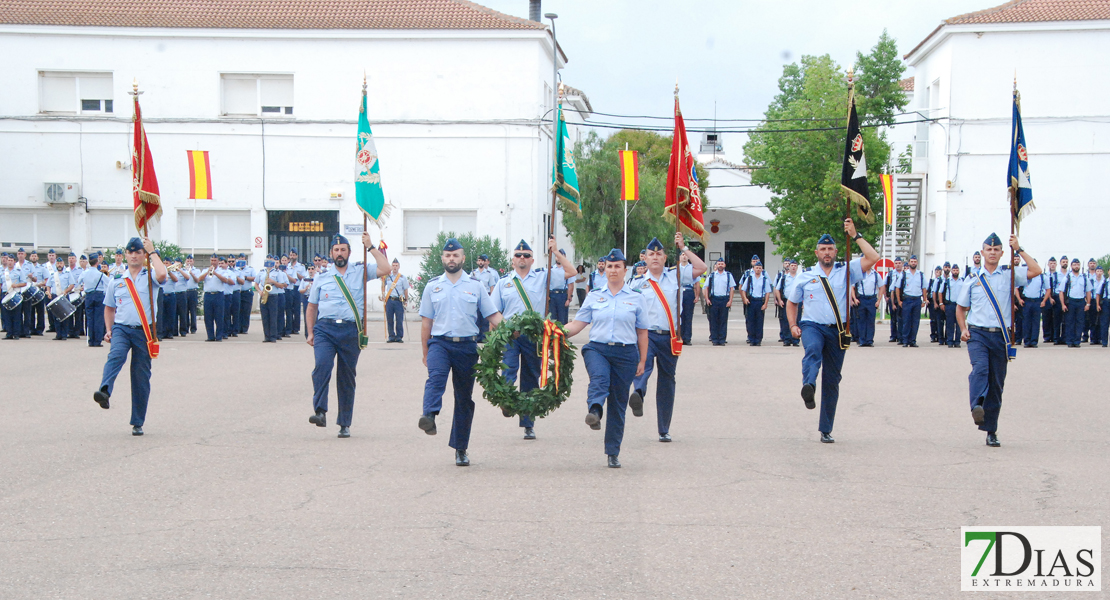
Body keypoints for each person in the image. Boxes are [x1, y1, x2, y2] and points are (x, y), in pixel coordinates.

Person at [786, 219, 879, 444]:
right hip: (812, 326)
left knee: (832, 380)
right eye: (823, 249)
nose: (827, 253)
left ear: (836, 251)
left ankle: (826, 428)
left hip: (838, 331)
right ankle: (808, 385)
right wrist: (793, 325)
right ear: (816, 252)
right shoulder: (805, 275)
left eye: (830, 249)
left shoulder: (847, 270)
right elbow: (792, 303)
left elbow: (873, 258)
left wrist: (855, 235)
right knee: (813, 350)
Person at [417, 237, 503, 466]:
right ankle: (429, 415)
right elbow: (426, 322)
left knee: (464, 398)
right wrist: (425, 352)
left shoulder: (476, 286)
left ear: (463, 258)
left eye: (455, 255)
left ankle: (461, 448)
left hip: (466, 346)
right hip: (440, 344)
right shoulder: (432, 286)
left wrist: (513, 329)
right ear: (442, 258)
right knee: (436, 379)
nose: (451, 259)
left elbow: (493, 315)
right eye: (447, 255)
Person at [563, 248, 648, 468]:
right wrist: (554, 332)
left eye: (617, 266)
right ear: (605, 269)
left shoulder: (636, 298)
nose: (612, 270)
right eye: (609, 266)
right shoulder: (594, 296)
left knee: (619, 403)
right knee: (599, 379)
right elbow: (577, 325)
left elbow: (642, 332)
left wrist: (642, 360)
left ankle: (613, 452)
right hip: (597, 349)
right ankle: (595, 410)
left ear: (624, 270)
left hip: (626, 353)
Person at [956, 233, 1041, 447]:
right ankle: (977, 405)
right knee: (980, 369)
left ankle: (991, 430)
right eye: (988, 249)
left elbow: (1036, 270)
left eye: (996, 250)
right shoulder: (973, 279)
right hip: (978, 334)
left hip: (1001, 336)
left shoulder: (1009, 275)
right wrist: (963, 328)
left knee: (996, 385)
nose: (992, 253)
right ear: (982, 252)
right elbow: (960, 307)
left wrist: (1019, 248)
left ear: (1002, 253)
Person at [490, 238, 577, 439]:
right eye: (518, 255)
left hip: (533, 336)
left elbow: (571, 272)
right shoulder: (504, 283)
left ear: (532, 260)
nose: (522, 258)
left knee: (531, 378)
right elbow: (494, 312)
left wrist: (556, 252)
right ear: (512, 260)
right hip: (511, 334)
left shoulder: (543, 277)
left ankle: (528, 423)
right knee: (508, 369)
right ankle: (506, 402)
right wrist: (498, 334)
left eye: (526, 255)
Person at [306, 233, 390, 438]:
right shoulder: (322, 277)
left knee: (346, 376)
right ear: (331, 254)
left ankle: (344, 422)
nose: (339, 253)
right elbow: (312, 306)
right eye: (336, 250)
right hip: (325, 329)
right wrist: (310, 332)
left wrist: (370, 247)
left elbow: (386, 268)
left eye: (343, 249)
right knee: (322, 366)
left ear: (349, 252)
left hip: (350, 330)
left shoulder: (360, 272)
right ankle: (320, 411)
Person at [627, 234, 705, 443]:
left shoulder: (676, 275)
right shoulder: (637, 283)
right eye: (651, 254)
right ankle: (638, 394)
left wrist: (684, 248)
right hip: (646, 334)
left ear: (664, 257)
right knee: (643, 366)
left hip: (670, 336)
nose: (655, 257)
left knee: (667, 382)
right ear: (645, 258)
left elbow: (701, 268)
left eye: (659, 254)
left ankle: (664, 428)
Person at [93, 237, 168, 436]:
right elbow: (109, 308)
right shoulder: (117, 280)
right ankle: (105, 391)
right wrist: (109, 329)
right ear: (125, 255)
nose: (134, 255)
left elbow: (162, 274)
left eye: (138, 252)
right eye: (130, 252)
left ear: (144, 255)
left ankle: (137, 421)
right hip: (121, 328)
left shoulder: (150, 275)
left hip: (144, 330)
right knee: (115, 355)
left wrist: (153, 252)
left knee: (140, 376)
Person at [196, 255, 231, 341]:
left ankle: (219, 336)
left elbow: (225, 280)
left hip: (218, 295)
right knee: (208, 317)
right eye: (212, 260)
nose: (213, 262)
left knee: (219, 316)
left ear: (218, 261)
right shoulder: (205, 270)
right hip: (208, 295)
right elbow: (199, 279)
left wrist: (215, 273)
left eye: (215, 260)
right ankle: (210, 336)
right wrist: (207, 272)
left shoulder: (222, 271)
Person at [851, 261, 884, 347]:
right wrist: (854, 298)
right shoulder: (859, 274)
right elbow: (852, 287)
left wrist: (879, 300)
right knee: (861, 320)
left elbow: (881, 287)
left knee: (870, 321)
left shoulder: (876, 275)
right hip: (861, 299)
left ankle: (869, 340)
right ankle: (862, 340)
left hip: (872, 299)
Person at [1058, 257, 1090, 348]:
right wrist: (1063, 304)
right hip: (1070, 301)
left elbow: (1088, 291)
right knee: (1070, 322)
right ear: (1071, 266)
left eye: (1078, 264)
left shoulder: (1084, 277)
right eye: (1074, 265)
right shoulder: (1067, 277)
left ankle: (1077, 341)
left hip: (1081, 302)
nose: (1076, 266)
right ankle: (1070, 341)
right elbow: (1061, 292)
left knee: (1080, 322)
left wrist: (1088, 303)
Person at [896, 255, 926, 347]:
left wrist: (924, 300)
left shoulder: (920, 274)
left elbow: (924, 288)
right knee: (906, 321)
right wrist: (899, 301)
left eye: (915, 261)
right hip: (907, 299)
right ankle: (905, 340)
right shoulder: (904, 274)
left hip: (917, 299)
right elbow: (897, 288)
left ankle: (913, 340)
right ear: (909, 263)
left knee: (915, 321)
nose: (913, 263)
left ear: (917, 263)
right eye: (912, 261)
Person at [704, 258, 735, 346]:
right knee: (713, 320)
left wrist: (730, 301)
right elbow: (706, 287)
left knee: (723, 320)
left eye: (722, 263)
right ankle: (714, 339)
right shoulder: (712, 275)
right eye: (719, 264)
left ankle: (722, 339)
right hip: (714, 299)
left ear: (724, 265)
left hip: (724, 299)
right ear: (716, 265)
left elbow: (732, 289)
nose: (720, 265)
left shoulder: (728, 275)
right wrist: (707, 299)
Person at [80, 252, 109, 347]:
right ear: (97, 262)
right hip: (99, 295)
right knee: (99, 318)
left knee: (90, 318)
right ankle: (97, 341)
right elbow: (108, 283)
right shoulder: (100, 274)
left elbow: (78, 281)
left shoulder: (85, 273)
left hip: (88, 295)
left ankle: (91, 340)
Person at [472, 253, 500, 341]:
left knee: (485, 318)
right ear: (477, 262)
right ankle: (476, 336)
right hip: (475, 297)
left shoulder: (489, 274)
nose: (480, 262)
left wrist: (491, 299)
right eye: (479, 260)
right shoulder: (473, 273)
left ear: (485, 262)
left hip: (486, 296)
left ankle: (484, 337)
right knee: (476, 317)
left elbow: (492, 286)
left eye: (482, 261)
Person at [382, 258, 411, 343]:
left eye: (396, 266)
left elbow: (406, 289)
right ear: (391, 266)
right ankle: (391, 336)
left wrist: (406, 299)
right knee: (389, 319)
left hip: (398, 301)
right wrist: (383, 294)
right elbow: (383, 286)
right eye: (393, 266)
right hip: (389, 300)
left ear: (399, 267)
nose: (395, 267)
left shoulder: (402, 278)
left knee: (399, 319)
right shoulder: (388, 277)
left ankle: (399, 336)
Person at [774, 259, 800, 347]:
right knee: (785, 320)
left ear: (797, 267)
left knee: (797, 320)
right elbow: (777, 289)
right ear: (789, 267)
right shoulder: (784, 277)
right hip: (786, 301)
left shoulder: (800, 277)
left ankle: (795, 339)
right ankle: (787, 339)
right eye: (792, 265)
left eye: (795, 265)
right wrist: (779, 300)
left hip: (797, 302)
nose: (793, 267)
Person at [1020, 265, 1046, 348]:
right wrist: (1019, 299)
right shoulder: (1025, 276)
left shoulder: (1041, 277)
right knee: (1026, 322)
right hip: (1027, 301)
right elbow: (1016, 288)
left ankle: (1034, 341)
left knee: (1036, 322)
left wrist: (1044, 301)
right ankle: (1027, 341)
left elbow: (1048, 289)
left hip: (1037, 301)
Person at [46, 259, 72, 340]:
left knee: (65, 316)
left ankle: (64, 334)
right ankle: (58, 334)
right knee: (56, 316)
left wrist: (66, 291)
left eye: (61, 263)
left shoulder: (67, 274)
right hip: (55, 296)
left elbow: (72, 284)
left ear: (63, 264)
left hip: (64, 296)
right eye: (58, 263)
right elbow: (48, 285)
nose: (59, 265)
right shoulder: (53, 274)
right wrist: (48, 292)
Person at [259, 256, 282, 343]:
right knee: (265, 317)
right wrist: (259, 291)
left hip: (273, 296)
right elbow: (256, 283)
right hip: (264, 295)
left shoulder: (277, 272)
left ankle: (273, 336)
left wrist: (273, 282)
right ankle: (266, 336)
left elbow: (282, 285)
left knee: (273, 317)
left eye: (271, 262)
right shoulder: (261, 272)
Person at [547, 249, 572, 324]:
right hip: (552, 294)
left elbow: (570, 285)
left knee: (562, 318)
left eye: (561, 256)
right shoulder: (551, 269)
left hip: (562, 295)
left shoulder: (567, 270)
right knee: (552, 317)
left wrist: (568, 298)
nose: (558, 258)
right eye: (557, 256)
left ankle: (562, 334)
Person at [942, 266, 964, 348]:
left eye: (957, 270)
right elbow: (940, 292)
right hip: (950, 304)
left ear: (959, 271)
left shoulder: (962, 281)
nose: (955, 271)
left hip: (959, 305)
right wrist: (941, 303)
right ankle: (950, 341)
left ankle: (957, 341)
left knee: (959, 324)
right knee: (950, 324)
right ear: (951, 271)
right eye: (954, 270)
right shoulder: (947, 281)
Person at [286, 248, 306, 335]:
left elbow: (303, 278)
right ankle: (289, 327)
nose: (292, 256)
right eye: (291, 255)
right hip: (289, 288)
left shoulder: (301, 266)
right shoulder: (286, 266)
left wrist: (295, 272)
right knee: (289, 308)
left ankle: (296, 328)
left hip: (297, 287)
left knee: (296, 309)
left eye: (294, 255)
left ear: (297, 256)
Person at [678, 253, 696, 346]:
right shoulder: (676, 268)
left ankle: (687, 337)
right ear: (679, 257)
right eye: (682, 255)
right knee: (679, 315)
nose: (684, 256)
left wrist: (697, 296)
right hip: (679, 291)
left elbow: (696, 282)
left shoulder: (692, 268)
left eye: (685, 255)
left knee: (688, 316)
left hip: (689, 291)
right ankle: (679, 336)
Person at [885, 257, 904, 342]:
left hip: (902, 298)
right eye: (896, 263)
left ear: (902, 264)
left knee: (901, 318)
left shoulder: (905, 273)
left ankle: (901, 335)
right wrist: (886, 296)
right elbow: (885, 285)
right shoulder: (890, 274)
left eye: (899, 263)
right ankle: (893, 335)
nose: (898, 264)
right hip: (892, 298)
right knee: (893, 318)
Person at [1052, 255, 1068, 344]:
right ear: (1060, 263)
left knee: (1066, 320)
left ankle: (1064, 338)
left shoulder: (1070, 274)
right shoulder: (1056, 275)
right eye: (1063, 262)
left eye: (1066, 262)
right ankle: (1056, 338)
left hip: (1067, 298)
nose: (1065, 263)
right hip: (1057, 298)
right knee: (1057, 320)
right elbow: (1052, 286)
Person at [239, 254, 256, 335]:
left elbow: (254, 278)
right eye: (240, 258)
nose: (241, 259)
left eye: (243, 258)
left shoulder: (250, 269)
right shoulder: (236, 269)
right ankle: (238, 328)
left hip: (247, 292)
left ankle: (244, 328)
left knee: (246, 311)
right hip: (238, 292)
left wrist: (245, 277)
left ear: (245, 260)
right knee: (238, 311)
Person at [183, 255, 200, 334]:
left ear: (193, 262)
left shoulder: (197, 270)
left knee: (192, 310)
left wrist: (191, 273)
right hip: (185, 291)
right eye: (188, 261)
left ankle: (193, 328)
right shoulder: (183, 270)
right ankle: (185, 327)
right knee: (185, 310)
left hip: (193, 291)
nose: (189, 262)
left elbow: (197, 280)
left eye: (191, 261)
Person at [1087, 261, 1103, 345]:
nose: (1099, 273)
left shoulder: (1105, 281)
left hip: (1102, 301)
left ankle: (1100, 338)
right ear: (1095, 272)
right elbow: (1088, 291)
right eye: (1098, 271)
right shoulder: (1091, 281)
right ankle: (1093, 338)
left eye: (1100, 271)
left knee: (1101, 321)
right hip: (1093, 301)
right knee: (1092, 320)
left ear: (1103, 272)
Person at [928, 265, 944, 343]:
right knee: (933, 320)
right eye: (936, 271)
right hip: (932, 301)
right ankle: (933, 335)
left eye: (939, 271)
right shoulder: (932, 281)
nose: (938, 273)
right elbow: (929, 291)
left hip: (939, 301)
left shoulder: (941, 280)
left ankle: (939, 334)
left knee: (939, 320)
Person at [1096, 268, 1110, 348]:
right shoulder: (1104, 282)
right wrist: (1098, 305)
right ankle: (1104, 342)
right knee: (1104, 323)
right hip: (1106, 303)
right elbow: (1098, 294)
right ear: (1108, 272)